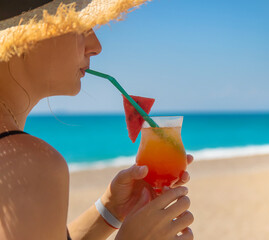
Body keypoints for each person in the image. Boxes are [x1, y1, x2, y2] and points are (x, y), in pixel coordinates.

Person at [0, 1, 194, 240]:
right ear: (24, 33)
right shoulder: (31, 165)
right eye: (81, 25)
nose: (96, 46)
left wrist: (110, 210)